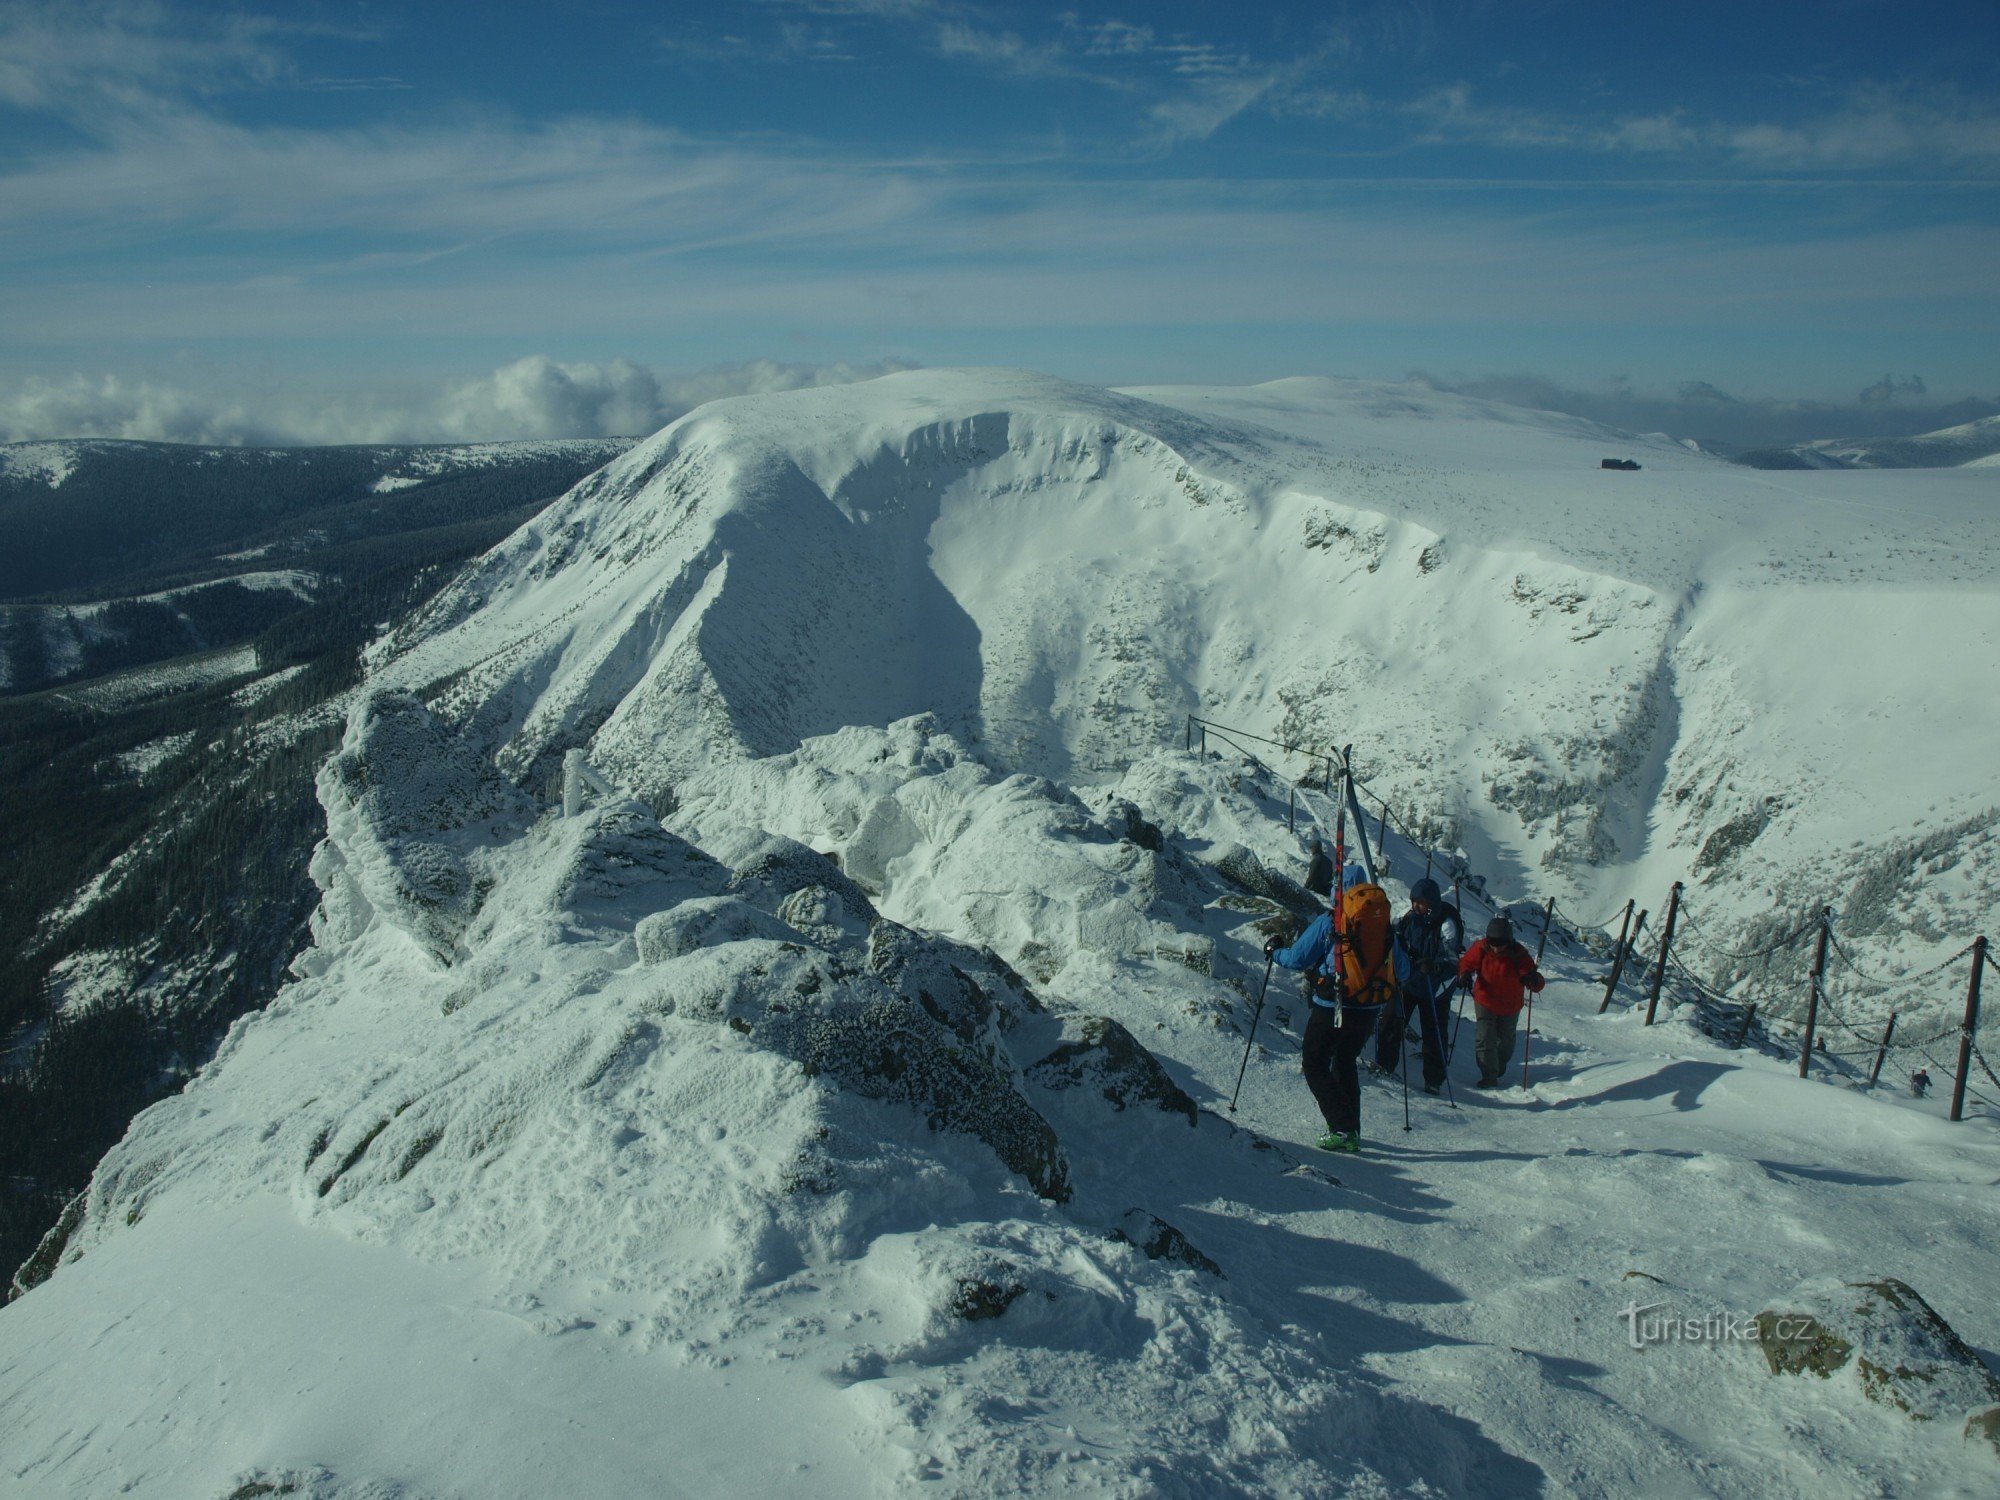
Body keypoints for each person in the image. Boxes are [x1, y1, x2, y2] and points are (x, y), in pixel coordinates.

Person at [1265, 872, 1392, 1153]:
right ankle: (1351, 1127)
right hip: (1369, 1007)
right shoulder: (1381, 925)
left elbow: (1298, 959)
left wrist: (1275, 952)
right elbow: (1402, 968)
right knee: (1345, 1060)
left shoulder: (1331, 922)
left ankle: (1342, 1128)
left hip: (1333, 1005)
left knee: (1314, 1063)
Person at [1373, 877, 1459, 1093]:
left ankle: (1433, 1081)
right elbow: (1391, 935)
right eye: (1414, 901)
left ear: (1432, 902)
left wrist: (1434, 967)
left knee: (1434, 1034)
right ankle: (1384, 1066)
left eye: (1421, 902)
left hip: (1435, 990)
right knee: (1391, 1022)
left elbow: (1453, 962)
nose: (1416, 906)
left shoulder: (1446, 925)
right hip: (1408, 982)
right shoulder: (1407, 917)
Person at [1456, 914, 1545, 1088]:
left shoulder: (1519, 954)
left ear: (1509, 941)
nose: (1496, 949)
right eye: (1493, 944)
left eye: (1500, 944)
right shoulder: (1481, 948)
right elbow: (1466, 963)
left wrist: (1533, 980)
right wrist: (1464, 974)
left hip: (1510, 1005)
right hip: (1485, 1000)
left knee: (1506, 1043)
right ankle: (1489, 1076)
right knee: (1485, 1037)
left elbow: (1535, 979)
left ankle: (1497, 1067)